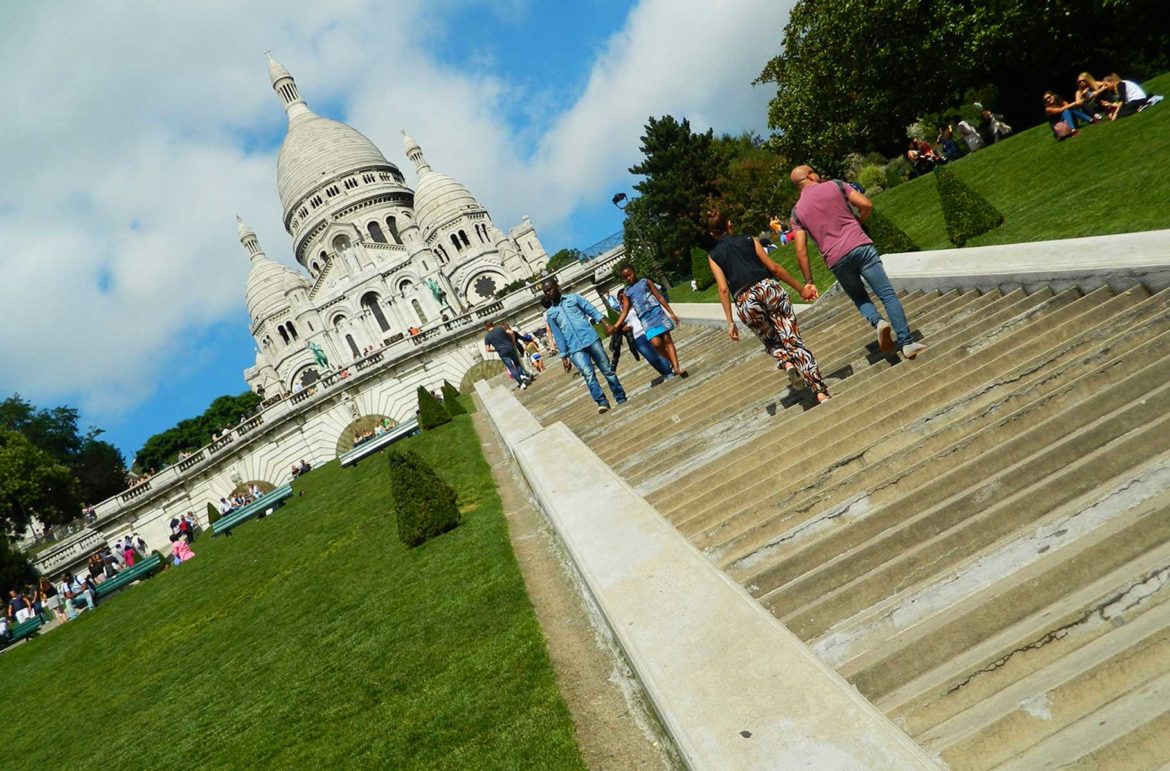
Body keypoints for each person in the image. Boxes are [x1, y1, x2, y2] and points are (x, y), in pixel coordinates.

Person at [789, 165, 927, 360]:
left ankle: (878, 322)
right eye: (813, 170)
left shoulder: (796, 212)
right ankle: (907, 343)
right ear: (809, 175)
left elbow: (801, 249)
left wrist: (808, 280)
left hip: (836, 259)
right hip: (860, 246)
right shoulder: (836, 185)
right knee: (887, 295)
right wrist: (858, 222)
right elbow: (866, 204)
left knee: (860, 298)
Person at [706, 208, 830, 402]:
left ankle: (786, 363)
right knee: (792, 339)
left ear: (712, 234)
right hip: (768, 288)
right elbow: (774, 268)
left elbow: (723, 289)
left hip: (745, 299)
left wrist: (730, 322)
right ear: (729, 224)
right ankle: (820, 391)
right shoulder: (748, 239)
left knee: (770, 339)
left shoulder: (713, 256)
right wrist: (801, 288)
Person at [541, 278, 627, 414]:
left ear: (557, 286)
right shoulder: (551, 313)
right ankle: (602, 402)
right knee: (588, 374)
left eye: (550, 289)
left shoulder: (574, 299)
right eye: (546, 292)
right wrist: (564, 355)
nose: (549, 293)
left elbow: (592, 311)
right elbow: (558, 335)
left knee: (607, 369)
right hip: (574, 348)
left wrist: (606, 323)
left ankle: (620, 396)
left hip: (591, 339)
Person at [613, 265, 687, 378]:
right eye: (625, 277)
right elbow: (625, 311)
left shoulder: (646, 282)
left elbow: (660, 297)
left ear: (634, 271)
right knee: (656, 344)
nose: (629, 278)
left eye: (630, 274)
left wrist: (671, 313)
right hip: (646, 320)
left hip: (657, 314)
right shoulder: (627, 292)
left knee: (667, 340)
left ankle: (676, 367)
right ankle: (671, 361)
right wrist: (616, 325)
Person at [483, 320, 532, 391]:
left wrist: (496, 350)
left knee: (511, 368)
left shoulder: (487, 337)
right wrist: (513, 341)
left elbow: (488, 349)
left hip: (502, 352)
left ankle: (521, 384)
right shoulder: (500, 328)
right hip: (510, 347)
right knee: (517, 364)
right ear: (492, 324)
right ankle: (522, 375)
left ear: (486, 327)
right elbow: (511, 332)